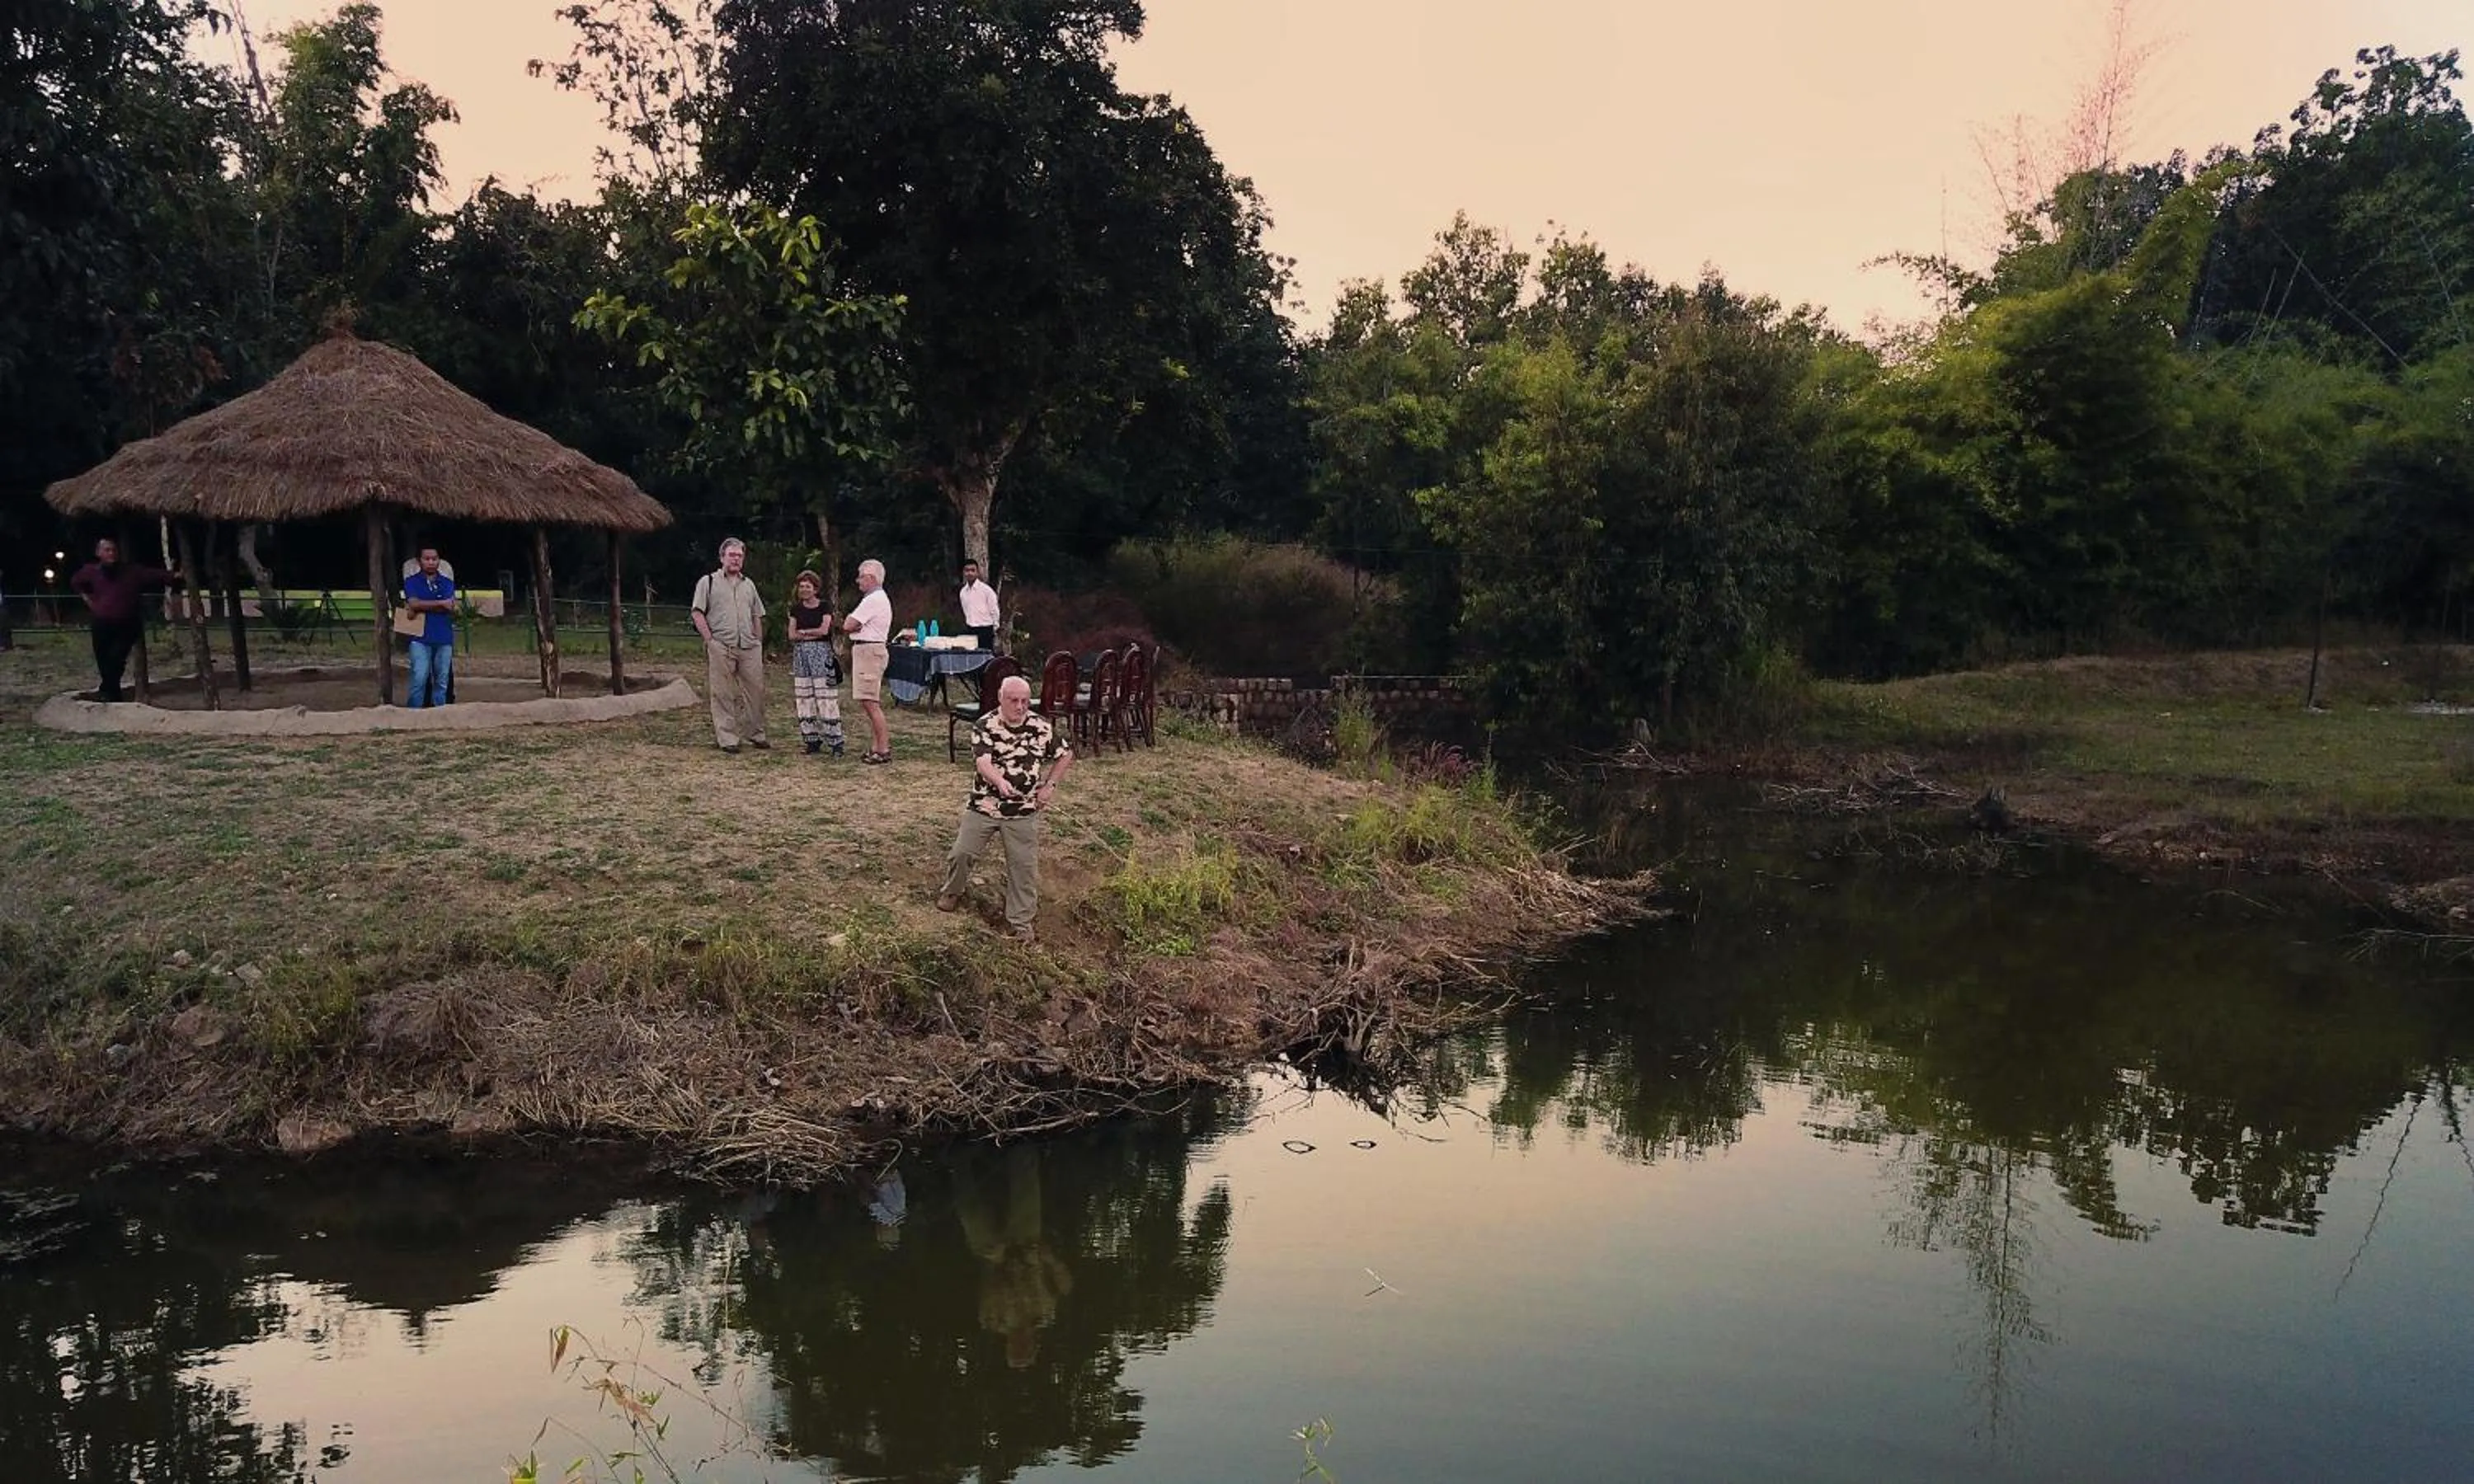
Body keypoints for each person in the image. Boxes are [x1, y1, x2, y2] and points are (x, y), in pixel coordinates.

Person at [937, 674, 1072, 942]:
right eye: (1013, 701)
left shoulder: (1041, 727)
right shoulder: (985, 725)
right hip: (985, 805)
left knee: (1023, 867)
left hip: (1022, 810)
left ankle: (1020, 923)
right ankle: (952, 891)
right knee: (962, 853)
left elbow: (1065, 754)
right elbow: (983, 763)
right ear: (1001, 699)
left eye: (1024, 701)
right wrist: (998, 781)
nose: (1020, 706)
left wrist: (1050, 786)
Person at [68, 538, 180, 702]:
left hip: (127, 623)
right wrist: (88, 600)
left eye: (113, 550)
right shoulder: (91, 571)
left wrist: (176, 575)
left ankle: (107, 691)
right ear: (98, 553)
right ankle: (112, 694)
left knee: (116, 658)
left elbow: (156, 575)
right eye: (107, 550)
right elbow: (76, 582)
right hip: (102, 622)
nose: (111, 553)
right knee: (103, 659)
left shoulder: (131, 571)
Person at [691, 536, 769, 754]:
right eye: (732, 555)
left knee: (756, 691)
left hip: (748, 646)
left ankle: (757, 733)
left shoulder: (749, 584)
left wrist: (758, 642)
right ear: (722, 557)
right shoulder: (708, 582)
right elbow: (697, 613)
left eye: (740, 555)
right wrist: (710, 641)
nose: (736, 559)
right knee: (722, 693)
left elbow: (757, 613)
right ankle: (728, 739)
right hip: (721, 645)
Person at [786, 569, 845, 757]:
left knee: (826, 697)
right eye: (801, 587)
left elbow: (824, 630)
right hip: (801, 655)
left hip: (821, 653)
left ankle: (835, 741)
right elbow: (791, 634)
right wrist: (807, 633)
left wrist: (804, 633)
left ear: (815, 589)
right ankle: (811, 740)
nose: (804, 590)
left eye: (808, 587)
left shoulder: (824, 607)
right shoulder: (795, 609)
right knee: (804, 696)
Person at [841, 557, 895, 764]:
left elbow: (848, 624)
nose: (858, 581)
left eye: (861, 576)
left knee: (870, 702)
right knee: (869, 700)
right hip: (868, 649)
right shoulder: (877, 599)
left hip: (869, 649)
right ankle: (876, 746)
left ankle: (883, 749)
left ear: (871, 578)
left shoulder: (873, 599)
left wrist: (854, 624)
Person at [400, 546, 458, 708]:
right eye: (427, 559)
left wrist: (421, 605)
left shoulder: (446, 582)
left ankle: (439, 714)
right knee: (419, 677)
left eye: (434, 559)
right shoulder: (412, 582)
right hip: (420, 638)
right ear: (420, 561)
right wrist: (440, 603)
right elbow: (413, 603)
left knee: (442, 680)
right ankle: (414, 713)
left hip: (443, 638)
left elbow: (450, 606)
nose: (431, 562)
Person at [957, 558, 1000, 654]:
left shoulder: (986, 590)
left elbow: (994, 610)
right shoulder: (963, 592)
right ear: (964, 572)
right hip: (971, 629)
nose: (970, 573)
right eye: (967, 570)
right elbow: (966, 610)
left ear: (977, 572)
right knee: (972, 657)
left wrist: (994, 628)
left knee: (986, 656)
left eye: (973, 570)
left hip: (986, 629)